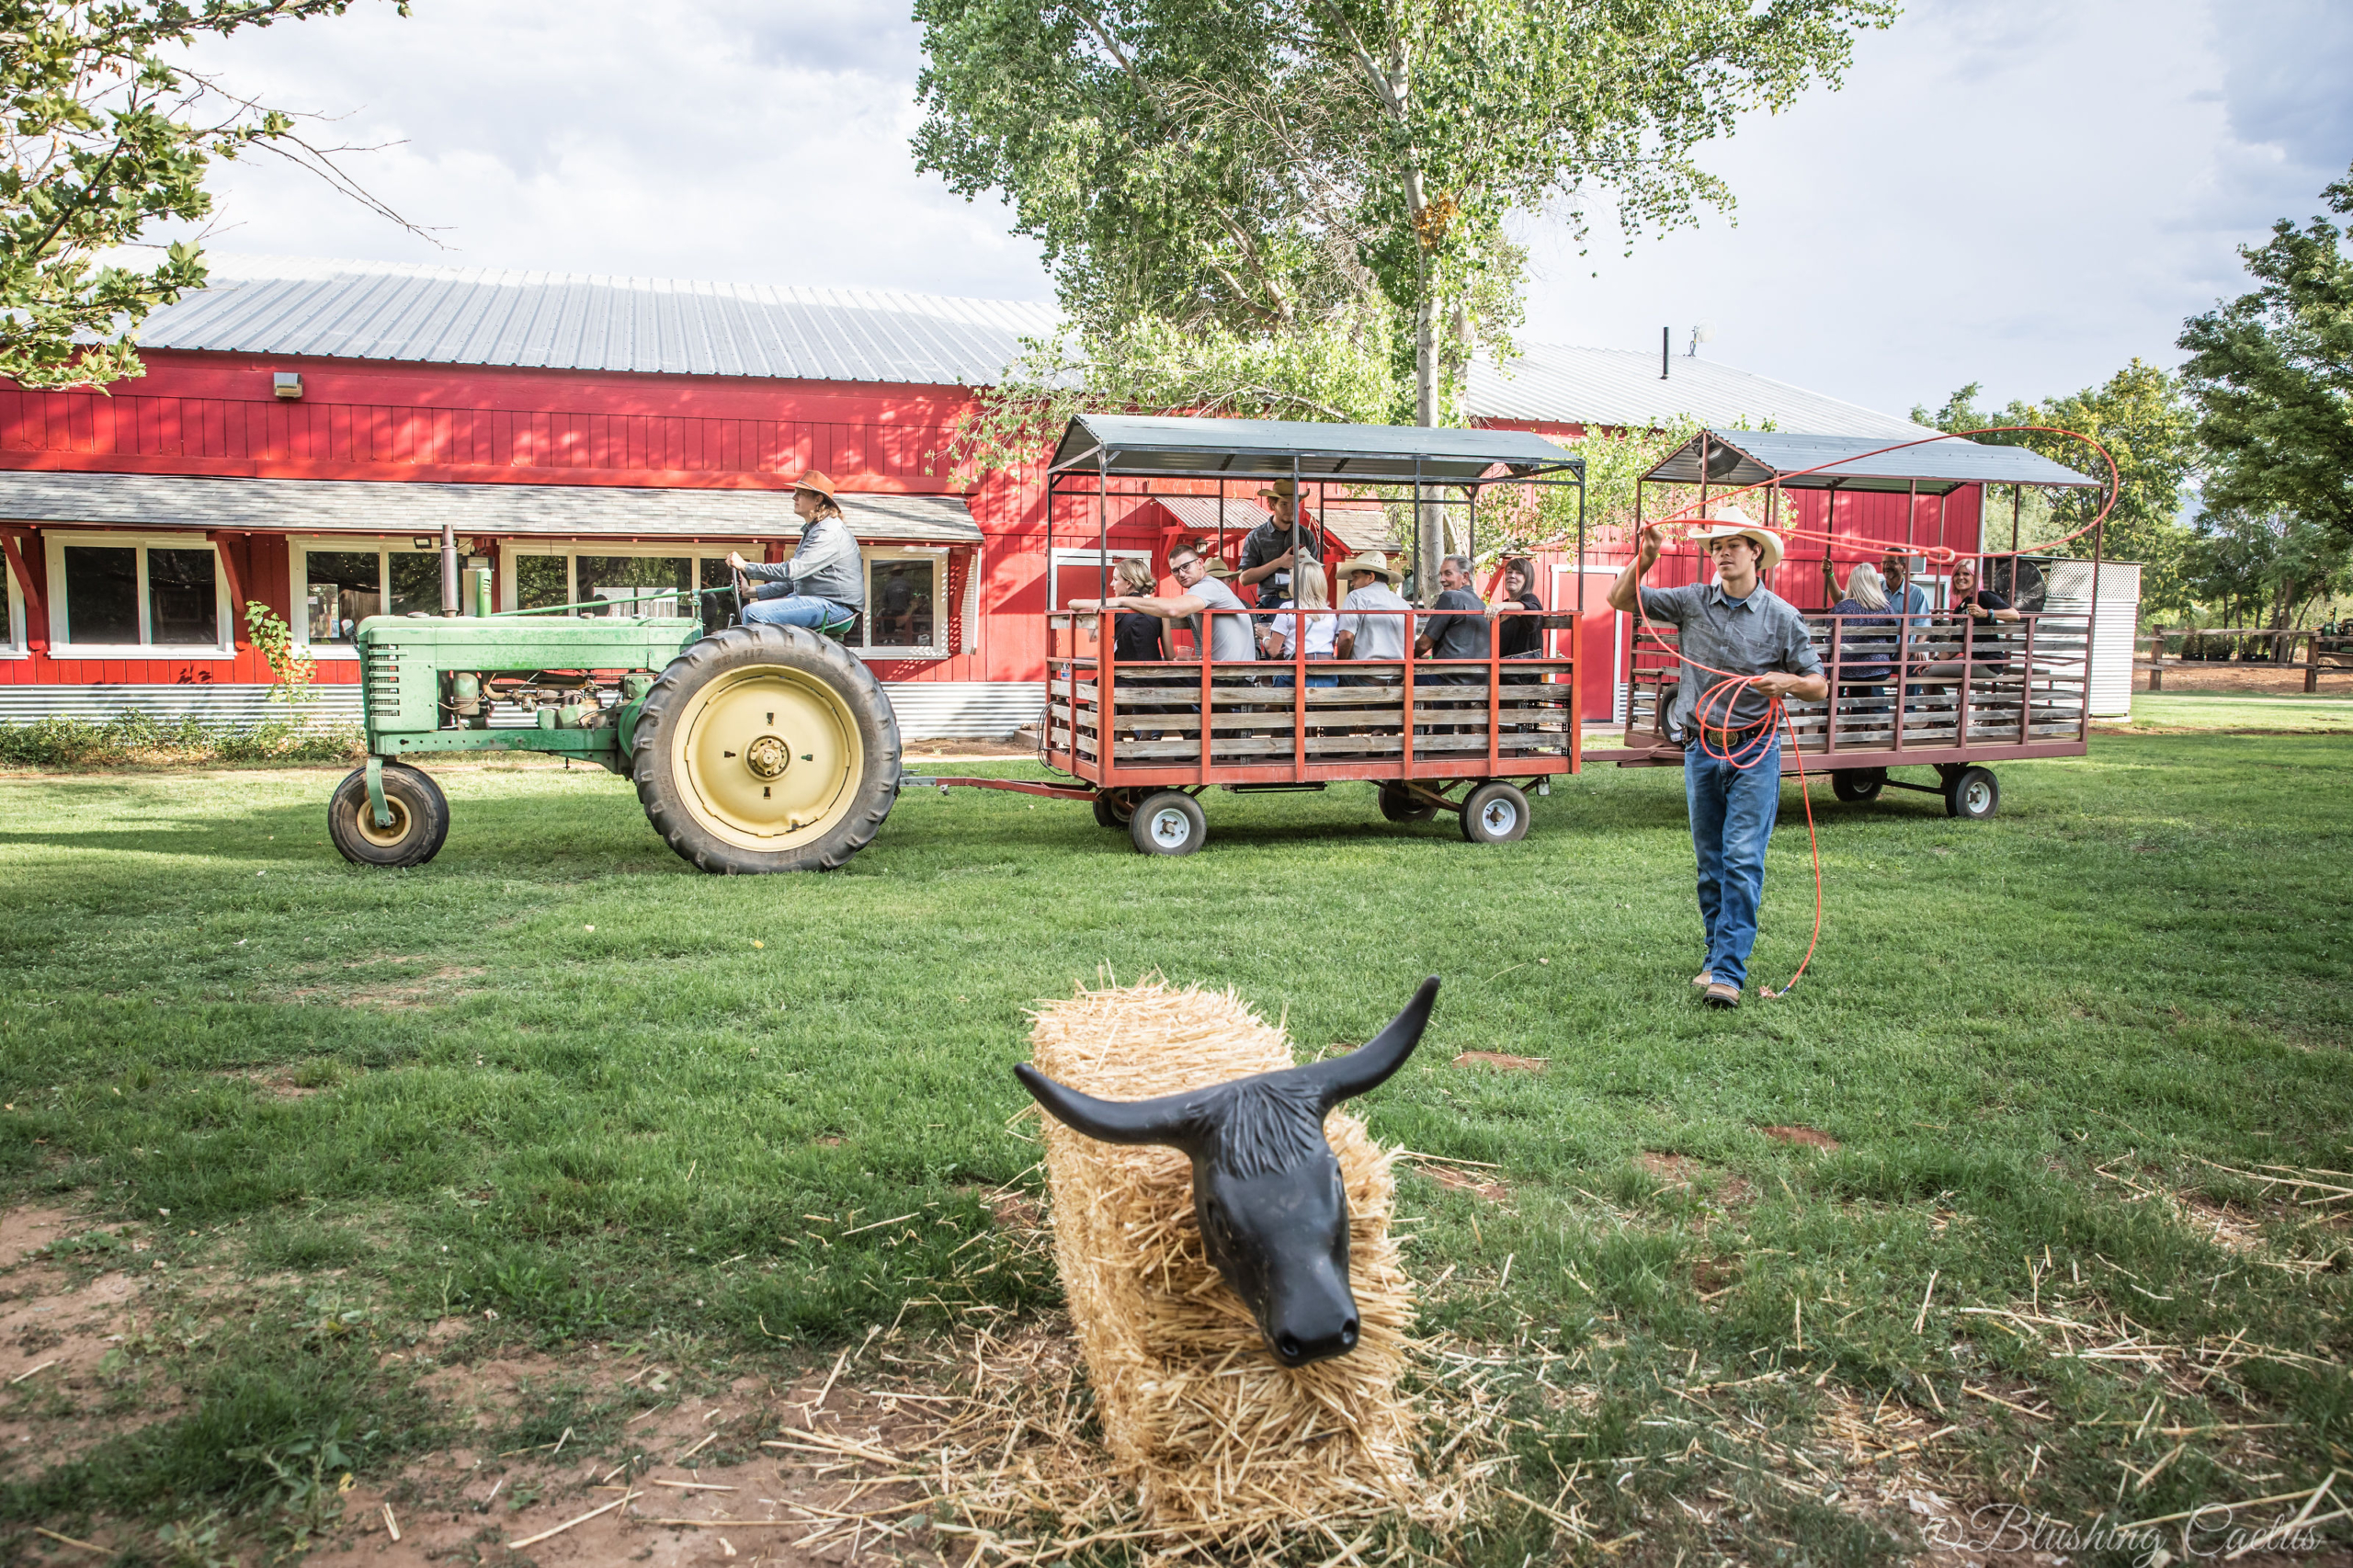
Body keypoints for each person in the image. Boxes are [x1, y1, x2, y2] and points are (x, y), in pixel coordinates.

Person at [1608, 508, 1826, 1010]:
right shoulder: (1689, 602)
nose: (1722, 553)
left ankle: (1728, 973)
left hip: (1755, 748)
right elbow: (1619, 599)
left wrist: (1787, 682)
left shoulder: (1781, 617)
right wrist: (1645, 558)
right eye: (1715, 546)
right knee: (1711, 865)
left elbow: (1818, 684)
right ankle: (1714, 958)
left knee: (1743, 859)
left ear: (1756, 553)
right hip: (1701, 747)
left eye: (1733, 544)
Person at [1074, 538, 1256, 666]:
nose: (1181, 574)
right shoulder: (1203, 593)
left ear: (1200, 563)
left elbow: (1174, 609)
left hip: (1229, 677)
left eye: (1186, 566)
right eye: (1175, 571)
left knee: (1162, 689)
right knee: (1161, 686)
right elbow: (1171, 653)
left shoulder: (1207, 587)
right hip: (1229, 672)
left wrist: (1119, 601)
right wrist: (1193, 660)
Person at [727, 472, 863, 631]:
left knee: (754, 612)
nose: (794, 498)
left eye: (800, 494)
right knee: (755, 609)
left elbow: (792, 571)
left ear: (818, 499)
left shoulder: (828, 532)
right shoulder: (815, 530)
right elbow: (797, 581)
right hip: (821, 601)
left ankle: (766, 656)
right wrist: (752, 592)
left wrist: (745, 567)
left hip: (834, 606)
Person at [1234, 478, 1319, 608]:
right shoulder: (1256, 537)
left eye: (1294, 504)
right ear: (1272, 505)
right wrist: (1279, 562)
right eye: (1284, 504)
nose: (1290, 509)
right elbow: (1244, 579)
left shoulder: (1307, 536)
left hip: (1303, 601)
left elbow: (1317, 575)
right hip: (1271, 601)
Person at [1829, 562, 1895, 718]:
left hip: (1845, 669)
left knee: (1842, 672)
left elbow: (1829, 637)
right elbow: (1891, 639)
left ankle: (1830, 721)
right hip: (1878, 668)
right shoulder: (1886, 608)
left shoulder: (1841, 608)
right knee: (1863, 672)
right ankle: (1861, 723)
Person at [1334, 553, 1411, 671]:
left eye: (1355, 577)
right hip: (1396, 677)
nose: (1352, 583)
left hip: (1364, 676)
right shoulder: (1405, 605)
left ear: (1370, 577)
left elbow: (1346, 638)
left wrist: (1339, 667)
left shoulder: (1356, 597)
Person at [1266, 564, 1338, 687]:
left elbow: (1273, 651)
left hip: (1295, 676)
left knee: (1271, 682)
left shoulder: (1288, 608)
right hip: (1326, 677)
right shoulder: (1330, 613)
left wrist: (1265, 636)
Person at [1494, 555, 1544, 684]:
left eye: (1519, 573)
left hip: (1520, 674)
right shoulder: (1504, 606)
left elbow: (1532, 609)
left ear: (1527, 579)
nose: (1512, 576)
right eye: (1509, 572)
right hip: (1502, 670)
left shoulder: (1530, 600)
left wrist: (1503, 606)